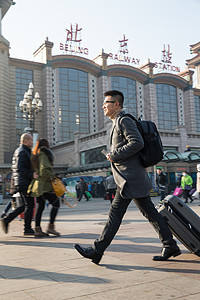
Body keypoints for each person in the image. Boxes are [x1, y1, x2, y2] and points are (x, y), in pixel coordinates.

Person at [74, 90, 180, 264]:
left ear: (116, 104)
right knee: (150, 213)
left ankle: (97, 250)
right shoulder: (117, 122)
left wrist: (114, 154)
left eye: (106, 103)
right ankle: (170, 245)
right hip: (130, 178)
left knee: (115, 215)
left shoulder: (124, 120)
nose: (103, 106)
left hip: (129, 179)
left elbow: (137, 142)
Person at [1, 133, 38, 235]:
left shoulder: (23, 151)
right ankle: (27, 229)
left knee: (25, 205)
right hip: (24, 183)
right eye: (31, 140)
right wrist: (32, 174)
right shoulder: (22, 152)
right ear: (26, 141)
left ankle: (7, 220)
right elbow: (19, 168)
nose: (32, 142)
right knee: (30, 205)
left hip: (22, 182)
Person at [28, 138, 60, 237]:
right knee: (56, 204)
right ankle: (51, 227)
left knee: (40, 207)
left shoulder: (35, 154)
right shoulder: (43, 154)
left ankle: (37, 229)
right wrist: (52, 178)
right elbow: (44, 170)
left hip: (37, 185)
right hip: (45, 185)